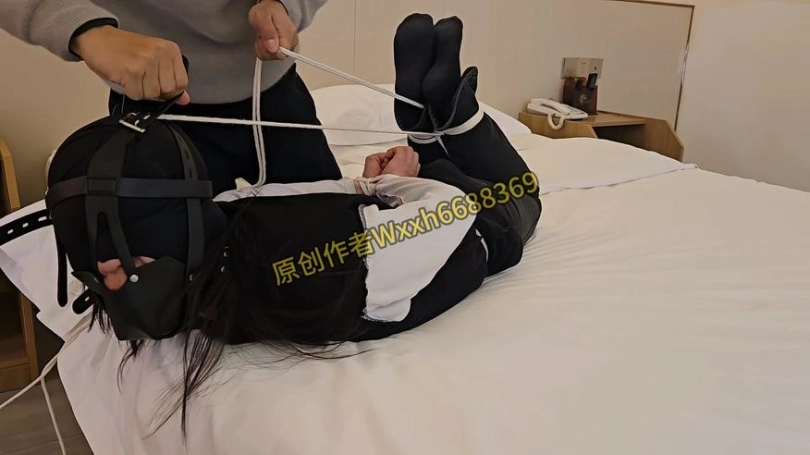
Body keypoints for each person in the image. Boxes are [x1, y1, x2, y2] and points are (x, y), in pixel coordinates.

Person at [46, 14, 542, 434]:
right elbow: (446, 214)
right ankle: (450, 113)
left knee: (439, 171)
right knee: (522, 193)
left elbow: (270, 196)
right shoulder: (312, 268)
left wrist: (365, 187)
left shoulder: (224, 235)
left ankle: (431, 122)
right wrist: (396, 185)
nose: (108, 275)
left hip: (383, 223)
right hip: (474, 230)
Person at [0, 0, 341, 194]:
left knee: (332, 251)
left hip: (272, 92)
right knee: (185, 285)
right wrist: (86, 32)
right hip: (152, 109)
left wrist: (284, 4)